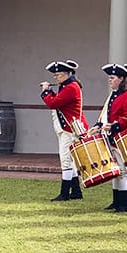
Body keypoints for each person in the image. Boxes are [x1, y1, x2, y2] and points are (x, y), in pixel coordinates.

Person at [86, 63, 127, 212]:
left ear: (121, 78)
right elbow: (106, 114)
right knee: (115, 170)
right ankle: (116, 201)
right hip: (112, 137)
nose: (109, 80)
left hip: (122, 137)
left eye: (112, 77)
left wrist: (114, 125)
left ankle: (124, 204)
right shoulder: (114, 94)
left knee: (122, 171)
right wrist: (98, 125)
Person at [40, 60, 88, 201]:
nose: (55, 77)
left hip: (69, 129)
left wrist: (45, 91)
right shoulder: (67, 86)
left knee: (66, 160)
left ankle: (65, 193)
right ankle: (76, 191)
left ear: (66, 74)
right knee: (71, 162)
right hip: (66, 128)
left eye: (58, 75)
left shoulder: (71, 87)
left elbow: (54, 103)